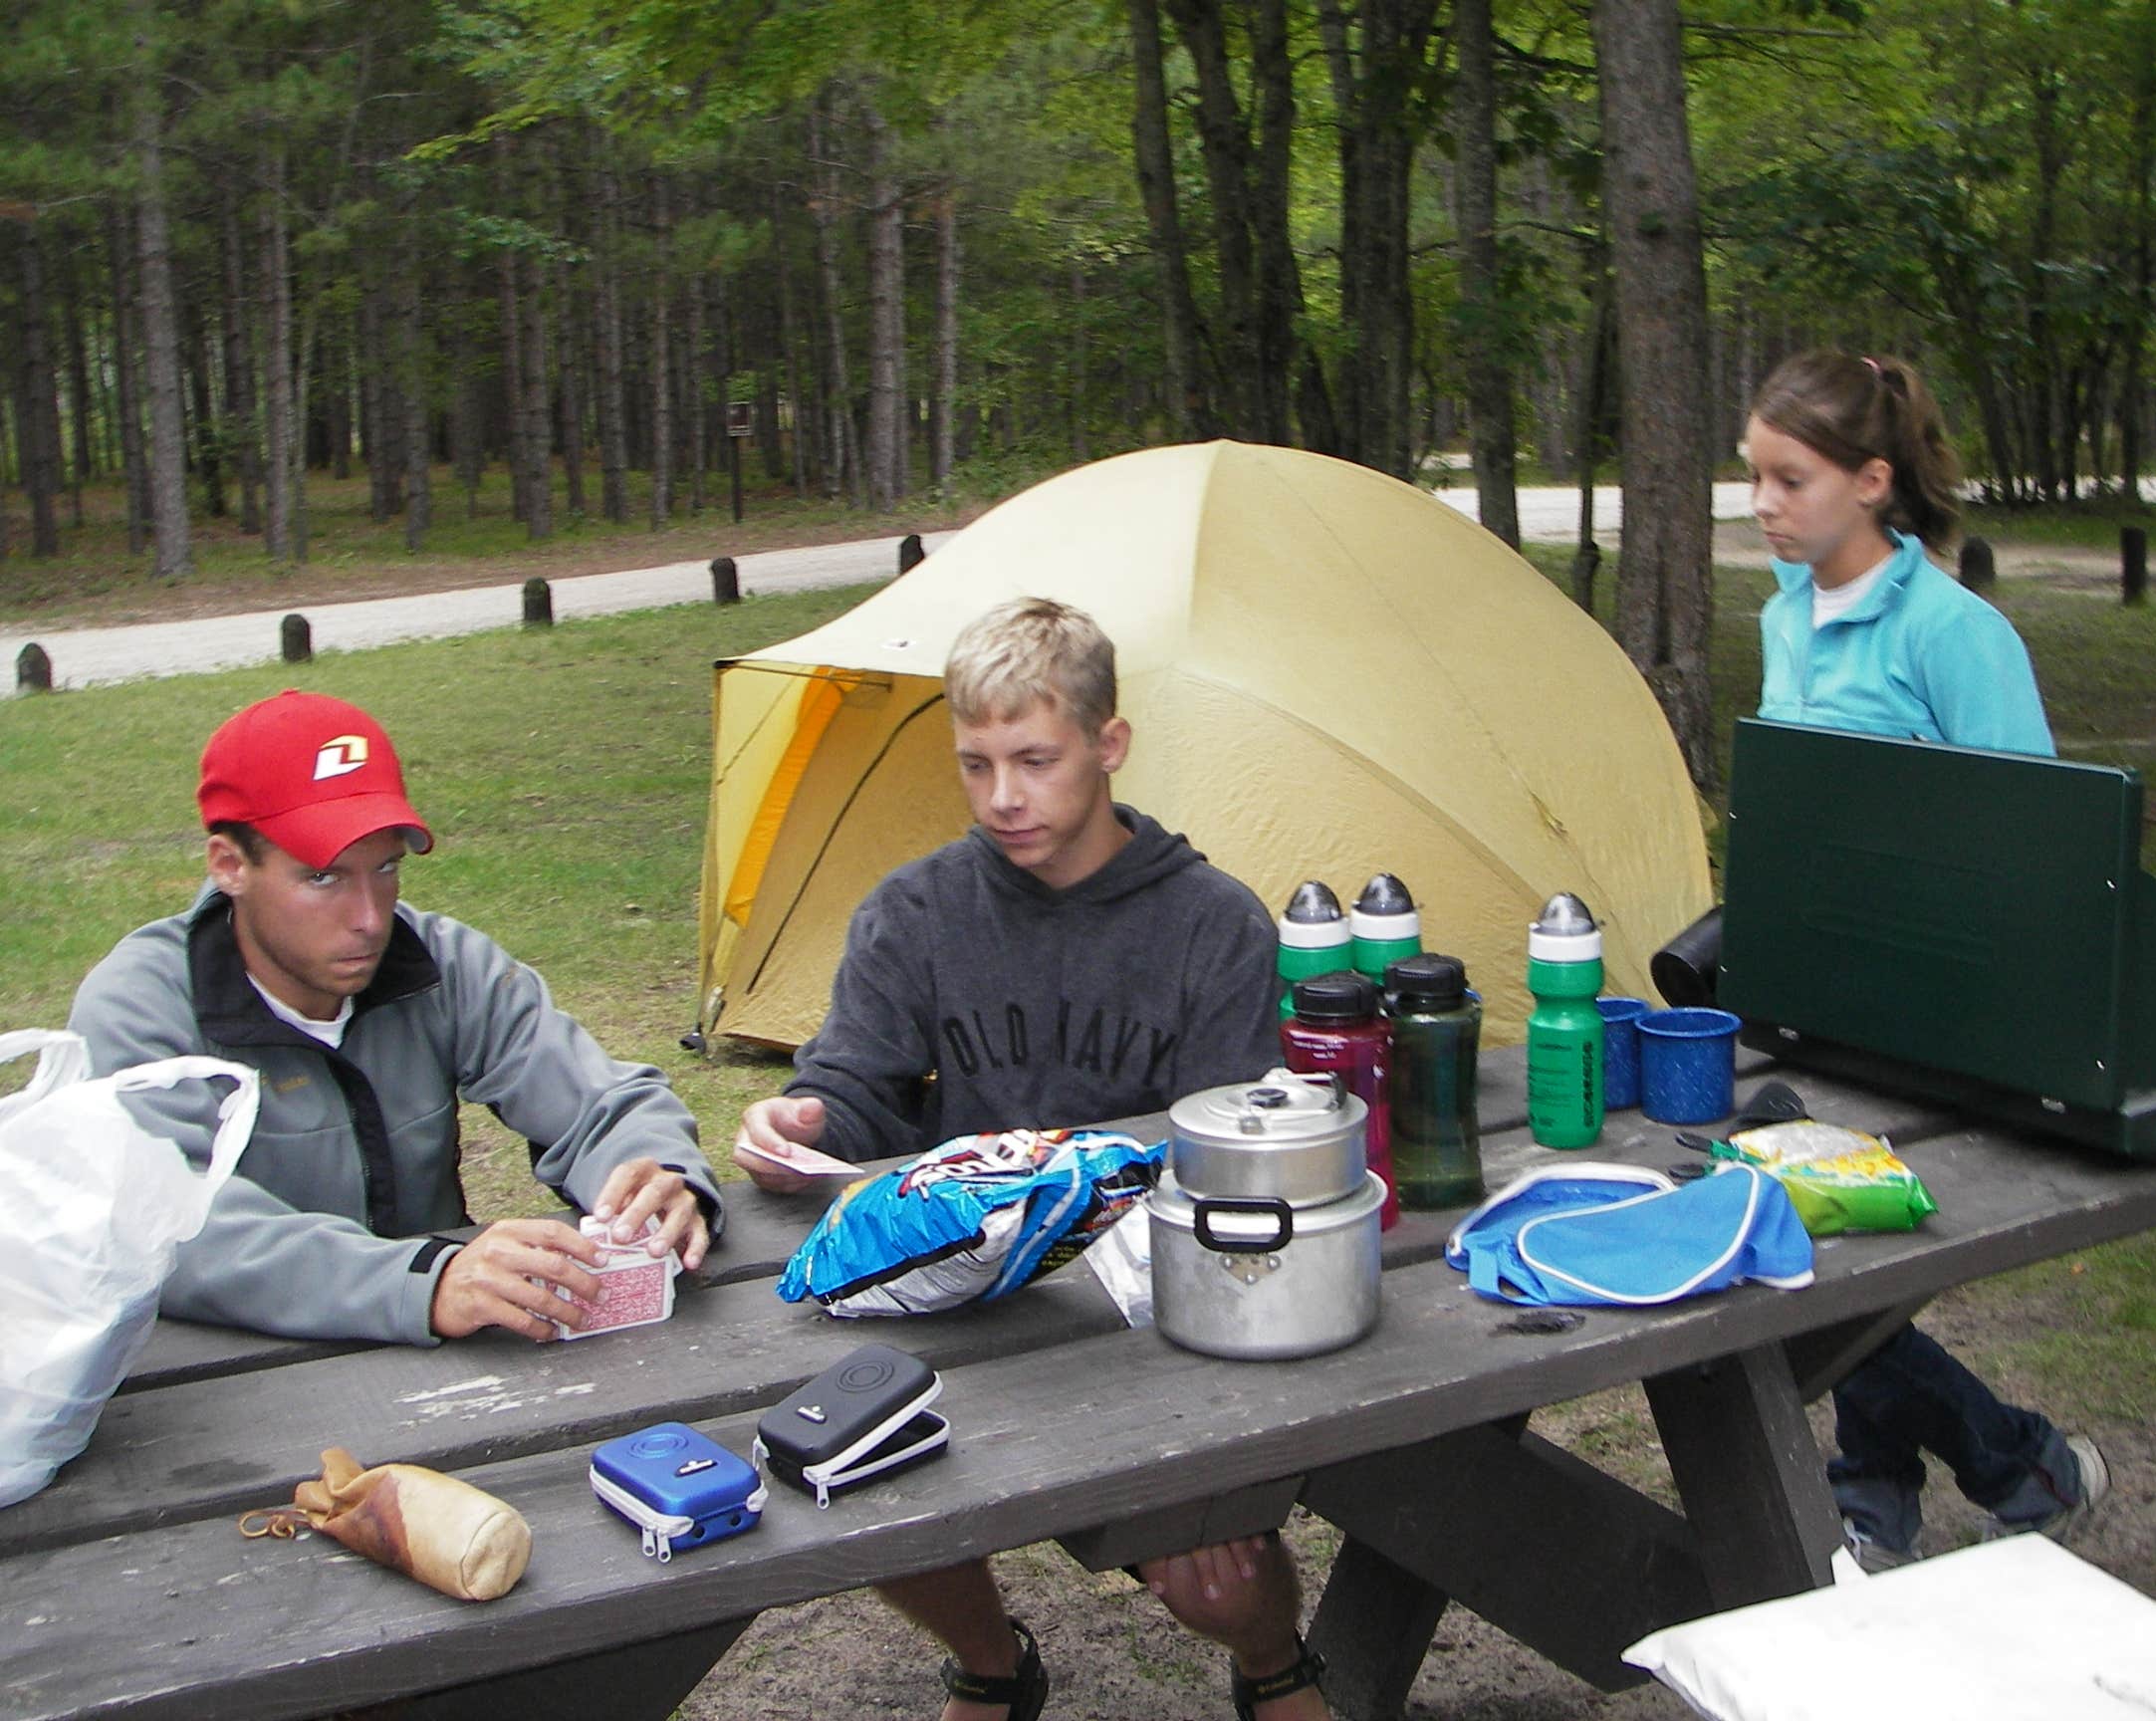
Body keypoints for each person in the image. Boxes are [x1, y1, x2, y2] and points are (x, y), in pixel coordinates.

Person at [735, 598, 1321, 1721]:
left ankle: (1272, 1665)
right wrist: (804, 1118)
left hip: (1142, 1314)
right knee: (840, 1461)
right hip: (963, 1306)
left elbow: (1233, 1158)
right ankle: (993, 1663)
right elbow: (854, 1086)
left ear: (1109, 746)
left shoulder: (1212, 924)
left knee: (1220, 1569)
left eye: (1037, 760)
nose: (1005, 797)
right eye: (977, 763)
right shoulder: (914, 914)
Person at [1746, 349, 2110, 1570]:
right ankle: (1979, 1466)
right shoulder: (1781, 617)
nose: (1763, 503)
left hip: (1939, 1015)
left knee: (1829, 1255)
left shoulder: (1960, 635)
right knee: (1813, 1240)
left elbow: (2035, 844)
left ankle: (1925, 1483)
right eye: (1754, 477)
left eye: (1789, 479)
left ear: (1873, 482)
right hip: (1814, 998)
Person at [70, 689, 722, 1347]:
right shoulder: (141, 1004)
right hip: (220, 1395)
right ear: (230, 866)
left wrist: (656, 1179)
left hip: (449, 1368)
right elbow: (163, 1222)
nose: (370, 917)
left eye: (385, 868)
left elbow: (596, 1099)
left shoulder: (439, 960)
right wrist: (423, 1281)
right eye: (323, 877)